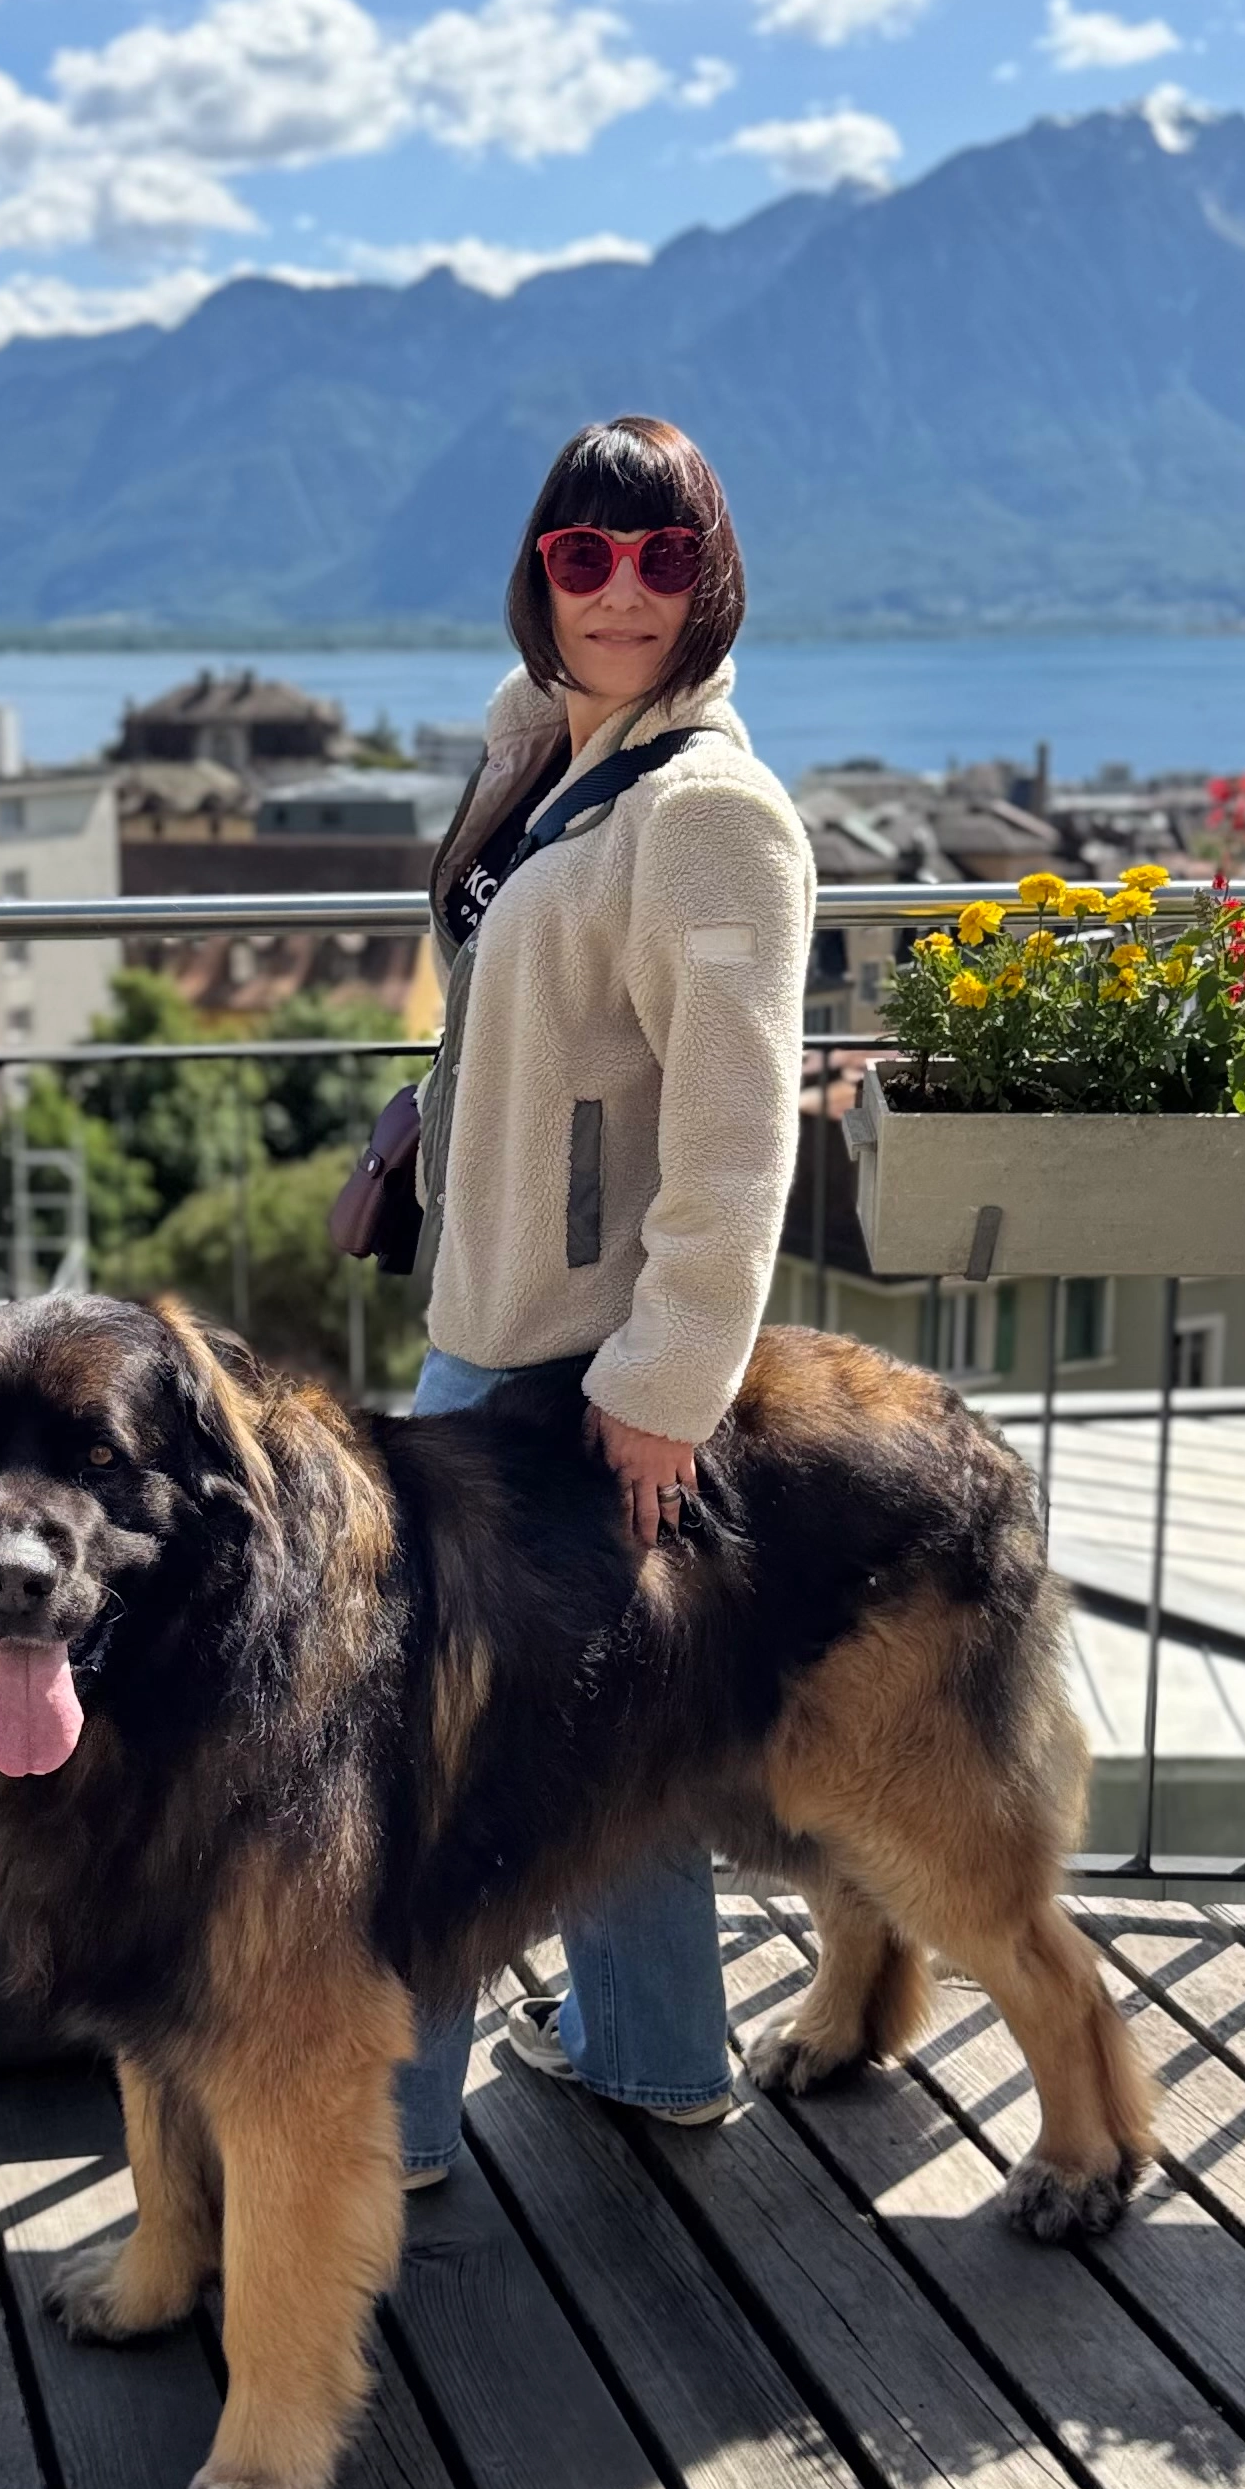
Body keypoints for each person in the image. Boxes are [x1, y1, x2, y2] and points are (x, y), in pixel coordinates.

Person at [394, 414, 815, 2187]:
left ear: (709, 573)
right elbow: (528, 1013)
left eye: (660, 558)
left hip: (564, 1349)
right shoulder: (542, 754)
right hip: (507, 1302)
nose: (623, 591)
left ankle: (379, 2132)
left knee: (421, 1739)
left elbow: (734, 1139)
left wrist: (666, 1385)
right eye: (586, 556)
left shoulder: (707, 815)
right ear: (539, 575)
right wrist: (436, 1117)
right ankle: (653, 2053)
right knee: (612, 1719)